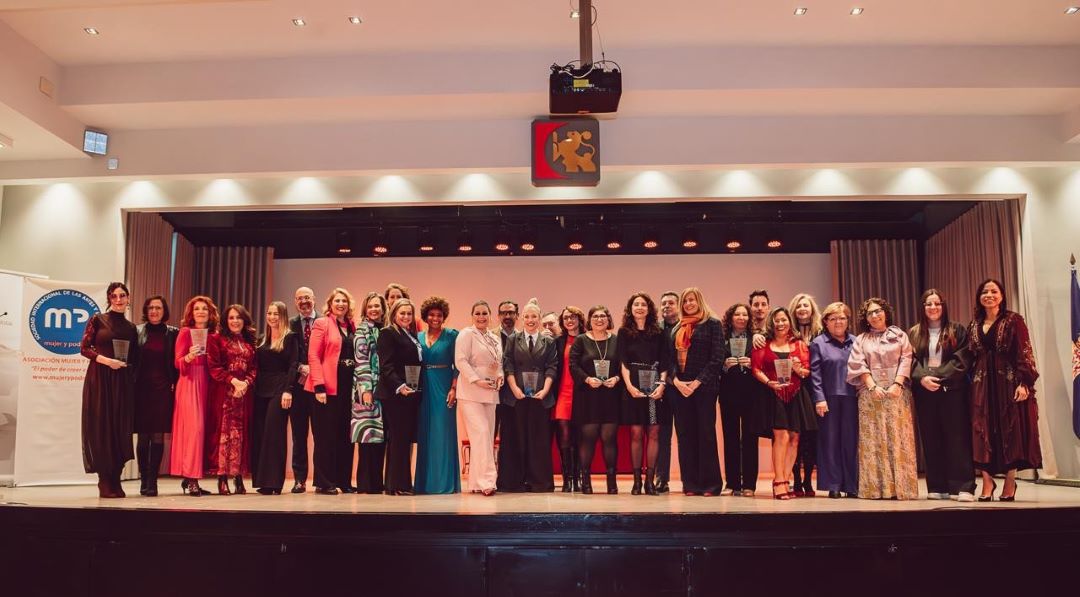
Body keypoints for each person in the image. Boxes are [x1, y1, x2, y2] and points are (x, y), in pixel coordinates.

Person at [968, 278, 1041, 502]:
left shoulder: (1013, 320)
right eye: (985, 292)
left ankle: (1010, 480)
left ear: (1002, 295)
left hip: (1007, 382)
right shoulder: (974, 324)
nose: (989, 295)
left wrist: (1024, 383)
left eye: (994, 291)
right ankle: (987, 481)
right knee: (982, 429)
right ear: (979, 297)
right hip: (982, 384)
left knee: (1011, 429)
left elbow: (1024, 351)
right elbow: (971, 355)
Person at [846, 297, 917, 500]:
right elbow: (858, 364)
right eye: (870, 313)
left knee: (898, 438)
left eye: (878, 311)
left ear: (886, 313)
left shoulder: (900, 335)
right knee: (874, 441)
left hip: (897, 394)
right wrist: (872, 386)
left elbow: (906, 358)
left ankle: (902, 489)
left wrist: (897, 384)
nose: (875, 315)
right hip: (870, 395)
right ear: (865, 318)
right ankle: (875, 489)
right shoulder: (861, 340)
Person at [908, 289, 974, 502]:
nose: (933, 307)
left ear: (943, 306)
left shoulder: (957, 330)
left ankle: (963, 487)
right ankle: (937, 486)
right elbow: (910, 360)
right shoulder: (914, 333)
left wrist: (937, 377)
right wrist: (922, 378)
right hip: (925, 393)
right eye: (928, 304)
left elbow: (962, 359)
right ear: (922, 307)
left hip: (952, 392)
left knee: (957, 438)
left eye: (937, 303)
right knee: (931, 438)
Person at [80, 282, 139, 498]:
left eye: (122, 295)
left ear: (128, 298)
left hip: (122, 382)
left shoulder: (131, 328)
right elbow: (84, 348)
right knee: (102, 427)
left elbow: (135, 358)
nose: (118, 299)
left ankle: (116, 477)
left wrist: (126, 368)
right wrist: (107, 361)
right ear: (109, 299)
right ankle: (104, 480)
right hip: (100, 379)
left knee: (119, 429)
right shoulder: (98, 320)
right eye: (114, 296)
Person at [752, 307, 815, 499]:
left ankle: (785, 481)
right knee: (782, 436)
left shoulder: (799, 345)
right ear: (772, 323)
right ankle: (778, 480)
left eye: (784, 320)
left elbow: (806, 372)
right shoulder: (764, 344)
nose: (780, 324)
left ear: (789, 322)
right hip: (774, 394)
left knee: (794, 438)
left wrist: (797, 368)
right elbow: (756, 369)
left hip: (796, 394)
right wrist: (769, 383)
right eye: (777, 320)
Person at [669, 287, 724, 497]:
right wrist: (676, 381)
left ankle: (710, 484)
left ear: (699, 301)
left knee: (706, 435)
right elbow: (669, 360)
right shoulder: (677, 327)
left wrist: (696, 383)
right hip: (680, 389)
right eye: (685, 301)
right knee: (685, 436)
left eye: (692, 300)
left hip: (704, 389)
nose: (688, 304)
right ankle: (690, 484)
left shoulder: (712, 324)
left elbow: (717, 358)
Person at [502, 298, 559, 493]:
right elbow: (508, 364)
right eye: (526, 316)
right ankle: (515, 482)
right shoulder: (512, 339)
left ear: (540, 318)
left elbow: (552, 366)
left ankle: (539, 482)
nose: (530, 320)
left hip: (540, 397)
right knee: (516, 439)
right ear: (521, 319)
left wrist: (546, 390)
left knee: (538, 440)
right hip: (516, 396)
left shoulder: (549, 341)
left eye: (534, 316)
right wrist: (514, 388)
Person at [305, 287, 358, 495]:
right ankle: (324, 482)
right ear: (330, 304)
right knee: (325, 437)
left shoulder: (352, 326)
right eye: (337, 301)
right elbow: (313, 355)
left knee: (346, 436)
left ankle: (344, 480)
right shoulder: (322, 323)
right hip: (326, 388)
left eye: (344, 301)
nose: (341, 304)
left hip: (348, 388)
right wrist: (319, 385)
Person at [618, 292, 668, 496]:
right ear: (630, 309)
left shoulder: (659, 333)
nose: (639, 307)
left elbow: (664, 361)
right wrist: (629, 387)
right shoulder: (624, 332)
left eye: (643, 304)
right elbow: (623, 362)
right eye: (636, 304)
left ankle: (650, 481)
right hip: (633, 386)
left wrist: (662, 385)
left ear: (649, 309)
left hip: (654, 385)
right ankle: (637, 481)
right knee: (636, 433)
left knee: (654, 432)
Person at [571, 305, 622, 494]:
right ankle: (586, 481)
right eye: (595, 316)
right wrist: (587, 379)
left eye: (603, 316)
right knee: (588, 439)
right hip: (587, 396)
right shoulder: (581, 340)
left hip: (610, 396)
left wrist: (617, 378)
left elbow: (623, 366)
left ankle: (612, 482)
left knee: (609, 439)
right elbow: (573, 365)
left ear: (608, 319)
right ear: (589, 320)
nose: (599, 320)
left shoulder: (616, 340)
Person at [207, 304, 258, 495]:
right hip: (223, 393)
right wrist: (234, 382)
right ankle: (222, 478)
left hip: (244, 395)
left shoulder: (249, 341)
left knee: (240, 435)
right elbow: (214, 367)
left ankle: (237, 476)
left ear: (244, 320)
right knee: (223, 436)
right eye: (231, 318)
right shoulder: (215, 339)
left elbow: (254, 368)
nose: (235, 321)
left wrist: (246, 383)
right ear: (225, 321)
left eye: (238, 317)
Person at [455, 300, 504, 496]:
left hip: (490, 392)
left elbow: (498, 363)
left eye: (485, 313)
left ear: (490, 316)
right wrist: (477, 380)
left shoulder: (494, 338)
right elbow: (460, 360)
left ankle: (476, 482)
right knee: (482, 433)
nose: (481, 317)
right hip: (470, 392)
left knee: (485, 437)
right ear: (472, 316)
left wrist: (500, 376)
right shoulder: (466, 334)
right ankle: (488, 482)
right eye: (478, 313)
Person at [810, 302, 859, 498]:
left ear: (848, 321)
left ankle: (852, 485)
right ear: (826, 322)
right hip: (828, 399)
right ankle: (834, 485)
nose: (838, 322)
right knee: (830, 442)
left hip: (853, 398)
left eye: (842, 318)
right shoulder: (818, 343)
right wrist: (819, 399)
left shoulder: (856, 342)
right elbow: (815, 374)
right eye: (833, 318)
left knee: (851, 442)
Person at [171, 295, 219, 496]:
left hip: (209, 383)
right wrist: (189, 356)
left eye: (204, 309)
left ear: (210, 313)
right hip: (190, 382)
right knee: (194, 431)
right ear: (191, 313)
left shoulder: (214, 335)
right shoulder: (185, 332)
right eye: (197, 309)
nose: (200, 312)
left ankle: (191, 476)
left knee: (204, 432)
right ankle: (191, 479)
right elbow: (178, 363)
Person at [415, 296, 461, 494]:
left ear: (444, 316)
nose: (435, 318)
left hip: (443, 386)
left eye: (439, 315)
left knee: (443, 433)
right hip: (423, 387)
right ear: (425, 316)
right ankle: (424, 483)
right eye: (432, 315)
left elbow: (458, 365)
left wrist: (454, 388)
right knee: (425, 433)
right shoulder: (417, 337)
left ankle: (443, 483)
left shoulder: (452, 335)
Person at [377, 298, 423, 495]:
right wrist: (400, 386)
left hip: (409, 393)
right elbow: (386, 366)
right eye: (402, 313)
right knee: (398, 440)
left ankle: (399, 484)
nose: (406, 316)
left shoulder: (410, 334)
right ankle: (397, 485)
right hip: (395, 395)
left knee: (403, 440)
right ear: (394, 314)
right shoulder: (387, 333)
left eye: (409, 313)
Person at [252, 301, 299, 495]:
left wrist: (289, 390)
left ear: (283, 316)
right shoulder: (261, 339)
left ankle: (274, 483)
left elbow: (293, 365)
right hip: (261, 390)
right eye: (269, 313)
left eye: (276, 314)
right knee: (261, 434)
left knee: (274, 435)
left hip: (280, 389)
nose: (272, 317)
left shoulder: (290, 338)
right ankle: (262, 482)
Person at [134, 295, 178, 497]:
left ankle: (153, 481)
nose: (154, 311)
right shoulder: (137, 331)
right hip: (140, 391)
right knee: (143, 437)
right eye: (150, 307)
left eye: (158, 308)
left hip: (162, 391)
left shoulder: (173, 333)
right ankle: (144, 479)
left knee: (158, 436)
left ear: (164, 311)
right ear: (146, 310)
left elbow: (176, 362)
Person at [718, 302, 759, 497]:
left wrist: (753, 363)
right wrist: (724, 365)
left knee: (750, 438)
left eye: (745, 315)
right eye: (737, 314)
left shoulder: (756, 339)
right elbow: (713, 362)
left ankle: (750, 484)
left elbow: (765, 363)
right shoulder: (722, 339)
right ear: (730, 317)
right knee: (730, 438)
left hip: (751, 394)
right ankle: (732, 483)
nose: (741, 318)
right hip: (728, 394)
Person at [352, 292, 388, 494]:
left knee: (379, 437)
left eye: (377, 306)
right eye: (371, 306)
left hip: (382, 388)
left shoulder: (384, 329)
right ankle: (365, 483)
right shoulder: (362, 330)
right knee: (367, 436)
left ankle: (377, 482)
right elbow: (361, 360)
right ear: (365, 309)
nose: (374, 309)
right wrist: (365, 389)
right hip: (365, 387)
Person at [789, 293, 823, 496]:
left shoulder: (822, 332)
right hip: (792, 388)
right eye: (798, 306)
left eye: (806, 305)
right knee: (795, 436)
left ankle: (808, 480)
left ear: (812, 310)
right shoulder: (787, 333)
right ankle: (795, 480)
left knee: (811, 436)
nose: (802, 309)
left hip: (814, 388)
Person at [287, 286, 316, 493]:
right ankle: (299, 479)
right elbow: (285, 355)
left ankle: (322, 479)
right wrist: (300, 367)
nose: (304, 301)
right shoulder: (289, 325)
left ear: (314, 299)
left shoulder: (325, 322)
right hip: (297, 388)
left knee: (322, 436)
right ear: (295, 302)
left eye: (307, 297)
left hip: (320, 388)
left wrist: (315, 369)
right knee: (299, 436)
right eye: (299, 298)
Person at [553, 306, 585, 492]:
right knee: (564, 436)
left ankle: (578, 476)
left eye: (573, 317)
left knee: (579, 437)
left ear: (580, 319)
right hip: (563, 393)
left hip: (583, 393)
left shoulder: (588, 339)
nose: (569, 320)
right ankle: (568, 478)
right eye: (566, 318)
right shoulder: (558, 342)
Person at [654, 291, 680, 494]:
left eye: (671, 303)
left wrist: (676, 378)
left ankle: (690, 479)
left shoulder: (687, 327)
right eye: (663, 303)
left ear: (678, 306)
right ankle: (661, 478)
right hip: (661, 388)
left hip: (682, 387)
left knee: (685, 435)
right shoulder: (656, 329)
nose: (666, 306)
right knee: (662, 436)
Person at [494, 299, 521, 490]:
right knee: (488, 437)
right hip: (490, 393)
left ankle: (508, 480)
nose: (507, 316)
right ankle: (487, 478)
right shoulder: (489, 336)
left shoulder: (522, 337)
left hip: (514, 395)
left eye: (511, 312)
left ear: (517, 316)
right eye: (504, 312)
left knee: (510, 438)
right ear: (498, 316)